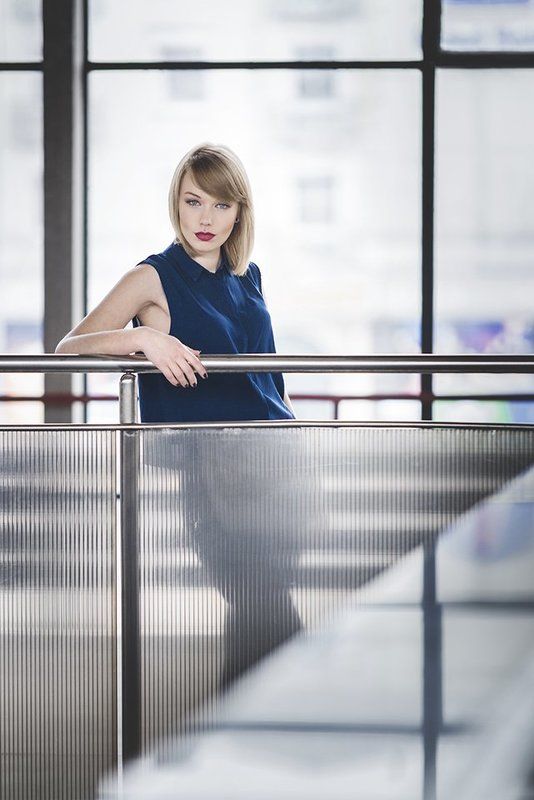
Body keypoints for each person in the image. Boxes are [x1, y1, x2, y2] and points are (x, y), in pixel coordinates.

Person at [55, 142, 304, 699]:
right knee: (267, 612)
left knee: (263, 618)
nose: (206, 219)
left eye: (221, 205)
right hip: (214, 474)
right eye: (194, 202)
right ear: (177, 204)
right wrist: (142, 338)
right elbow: (69, 349)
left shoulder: (248, 275)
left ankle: (237, 744)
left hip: (278, 464)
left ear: (239, 211)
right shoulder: (154, 276)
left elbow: (266, 379)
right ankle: (246, 739)